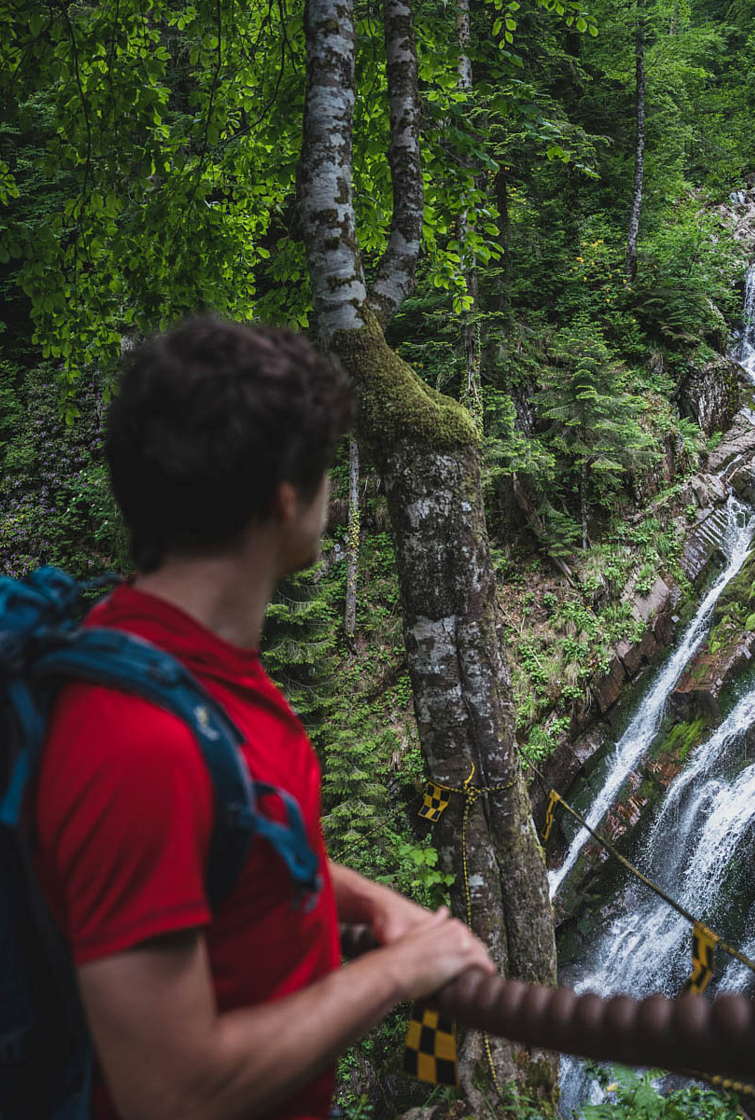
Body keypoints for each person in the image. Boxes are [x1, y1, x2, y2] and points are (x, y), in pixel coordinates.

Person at [31, 316, 494, 1120]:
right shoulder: (137, 739)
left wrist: (366, 902)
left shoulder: (173, 661)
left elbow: (230, 840)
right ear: (285, 500)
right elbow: (168, 1093)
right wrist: (399, 971)